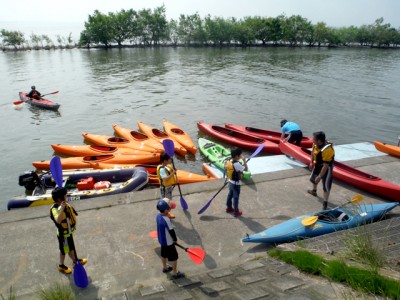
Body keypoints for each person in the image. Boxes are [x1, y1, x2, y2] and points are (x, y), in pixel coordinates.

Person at [50, 187, 87, 274]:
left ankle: (75, 260)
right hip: (63, 235)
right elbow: (58, 221)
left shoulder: (64, 203)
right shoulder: (55, 209)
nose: (66, 196)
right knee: (64, 251)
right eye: (65, 195)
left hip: (69, 232)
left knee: (71, 248)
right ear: (59, 198)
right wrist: (62, 209)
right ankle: (61, 266)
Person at [156, 198, 185, 279]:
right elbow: (171, 231)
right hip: (169, 242)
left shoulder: (158, 215)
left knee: (163, 255)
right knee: (174, 257)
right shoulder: (167, 220)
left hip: (162, 240)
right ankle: (175, 272)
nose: (170, 209)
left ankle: (165, 268)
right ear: (166, 211)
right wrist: (175, 239)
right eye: (169, 208)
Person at [308, 131, 335, 210]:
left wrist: (320, 176)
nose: (312, 139)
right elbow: (313, 152)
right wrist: (311, 162)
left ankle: (325, 203)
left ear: (319, 140)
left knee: (326, 186)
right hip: (317, 164)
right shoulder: (315, 144)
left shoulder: (328, 150)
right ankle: (314, 191)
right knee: (313, 179)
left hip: (327, 167)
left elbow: (326, 165)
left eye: (313, 138)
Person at [225, 148, 248, 217]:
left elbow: (226, 168)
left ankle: (229, 208)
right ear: (236, 156)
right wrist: (244, 161)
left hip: (230, 182)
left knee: (230, 195)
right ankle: (236, 211)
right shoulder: (237, 164)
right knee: (236, 197)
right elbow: (246, 169)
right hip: (236, 184)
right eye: (240, 155)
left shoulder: (229, 161)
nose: (241, 157)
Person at [157, 152, 177, 219]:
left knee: (168, 201)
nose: (170, 160)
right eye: (169, 159)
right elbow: (166, 179)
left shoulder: (167, 166)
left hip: (168, 188)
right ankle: (165, 214)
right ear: (165, 161)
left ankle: (166, 213)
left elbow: (169, 171)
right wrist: (173, 173)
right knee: (167, 202)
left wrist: (173, 171)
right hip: (165, 188)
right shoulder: (162, 169)